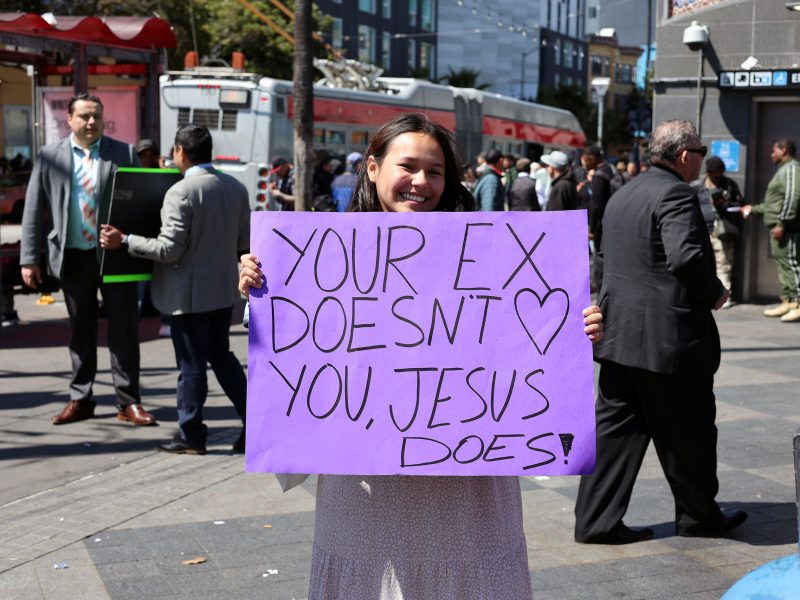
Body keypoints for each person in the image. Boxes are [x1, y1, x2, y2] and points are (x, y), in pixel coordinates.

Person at [238, 113, 605, 599]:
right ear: (372, 167)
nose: (421, 182)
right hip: (367, 497)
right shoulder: (321, 256)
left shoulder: (493, 254)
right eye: (407, 166)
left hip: (468, 494)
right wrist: (261, 295)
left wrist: (574, 334)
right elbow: (293, 354)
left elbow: (530, 351)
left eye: (435, 172)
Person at [574, 120, 747, 545]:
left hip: (619, 340)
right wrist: (716, 293)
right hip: (668, 345)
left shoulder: (623, 192)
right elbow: (685, 258)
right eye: (701, 150)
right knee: (691, 433)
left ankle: (595, 521)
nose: (703, 158)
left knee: (615, 436)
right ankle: (699, 516)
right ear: (685, 155)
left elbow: (605, 260)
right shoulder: (676, 193)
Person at [100, 124, 249, 455]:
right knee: (222, 356)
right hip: (223, 292)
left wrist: (125, 240)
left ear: (180, 152)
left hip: (188, 296)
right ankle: (253, 422)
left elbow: (169, 250)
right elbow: (243, 244)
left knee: (191, 366)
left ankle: (191, 435)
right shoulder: (235, 188)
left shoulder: (181, 192)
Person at [20, 93, 157, 426]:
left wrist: (133, 243)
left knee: (124, 329)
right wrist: (29, 258)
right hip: (73, 256)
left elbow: (141, 201)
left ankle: (128, 402)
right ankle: (80, 398)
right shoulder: (49, 156)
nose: (91, 122)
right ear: (69, 119)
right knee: (81, 330)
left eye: (96, 115)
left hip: (115, 256)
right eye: (84, 116)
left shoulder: (122, 152)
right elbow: (34, 209)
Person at [742, 139, 800, 322]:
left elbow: (793, 198)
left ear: (784, 151)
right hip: (777, 229)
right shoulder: (783, 171)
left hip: (786, 229)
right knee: (784, 266)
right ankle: (788, 301)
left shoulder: (791, 169)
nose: (771, 155)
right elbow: (772, 204)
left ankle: (798, 303)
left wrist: (782, 223)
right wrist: (753, 209)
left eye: (774, 151)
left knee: (791, 265)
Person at [694, 156, 743, 306]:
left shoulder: (729, 185)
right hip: (703, 230)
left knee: (724, 262)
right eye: (712, 172)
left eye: (718, 172)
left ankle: (724, 295)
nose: (715, 175)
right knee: (701, 263)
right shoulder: (698, 186)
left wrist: (725, 204)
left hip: (722, 230)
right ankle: (704, 293)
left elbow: (740, 204)